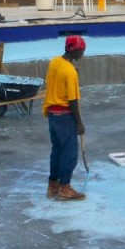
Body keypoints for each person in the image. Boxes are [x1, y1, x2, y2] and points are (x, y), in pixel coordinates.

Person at [43, 35, 88, 200]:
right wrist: (79, 123)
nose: (83, 54)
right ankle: (64, 187)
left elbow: (53, 80)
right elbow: (73, 100)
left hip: (52, 115)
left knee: (57, 151)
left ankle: (52, 186)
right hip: (65, 117)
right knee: (69, 154)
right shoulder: (70, 72)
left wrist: (70, 72)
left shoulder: (55, 62)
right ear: (75, 50)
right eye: (82, 50)